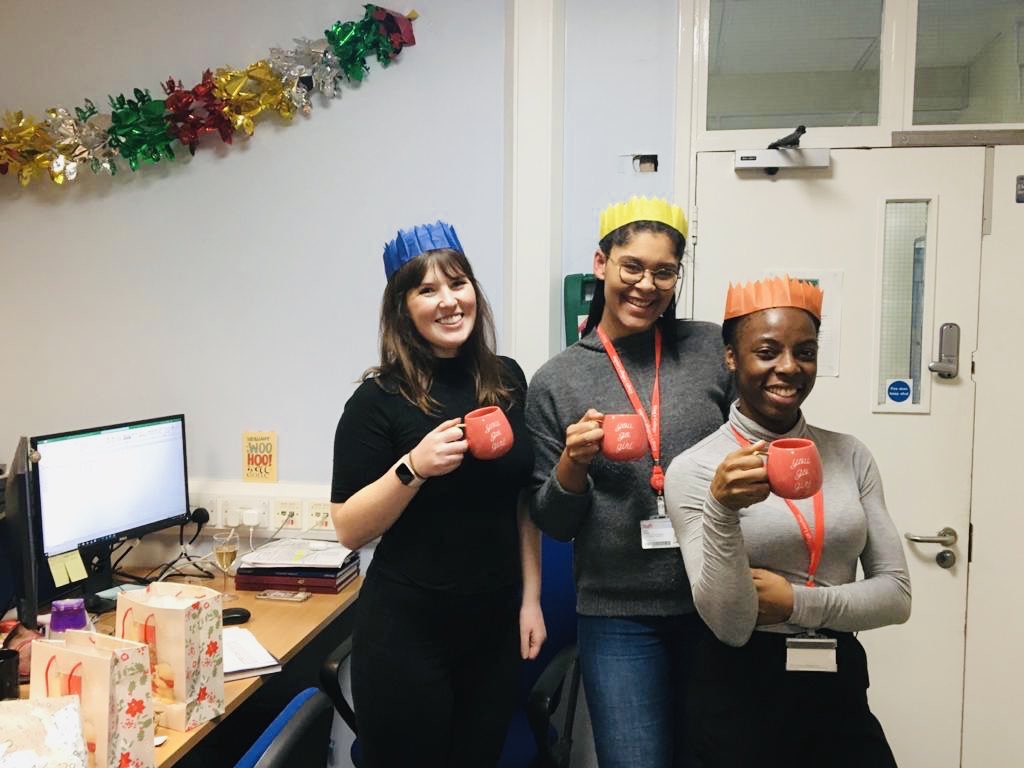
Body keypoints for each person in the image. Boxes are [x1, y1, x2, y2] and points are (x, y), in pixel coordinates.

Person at [663, 275, 911, 768]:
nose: (789, 367)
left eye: (805, 351)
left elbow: (896, 595)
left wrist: (797, 602)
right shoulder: (697, 469)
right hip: (739, 692)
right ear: (732, 358)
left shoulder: (850, 455)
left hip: (837, 681)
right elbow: (731, 625)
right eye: (768, 351)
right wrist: (721, 510)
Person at [329, 221, 546, 768]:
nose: (449, 302)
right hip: (407, 630)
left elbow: (522, 504)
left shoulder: (508, 380)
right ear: (403, 309)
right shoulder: (376, 400)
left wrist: (531, 600)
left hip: (493, 625)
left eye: (458, 284)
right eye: (427, 290)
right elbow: (349, 527)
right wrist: (412, 468)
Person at [526, 197, 732, 768]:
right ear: (601, 263)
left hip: (714, 603)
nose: (647, 284)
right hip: (617, 616)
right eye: (632, 267)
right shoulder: (556, 380)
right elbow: (556, 523)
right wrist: (572, 463)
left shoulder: (712, 352)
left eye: (664, 271)